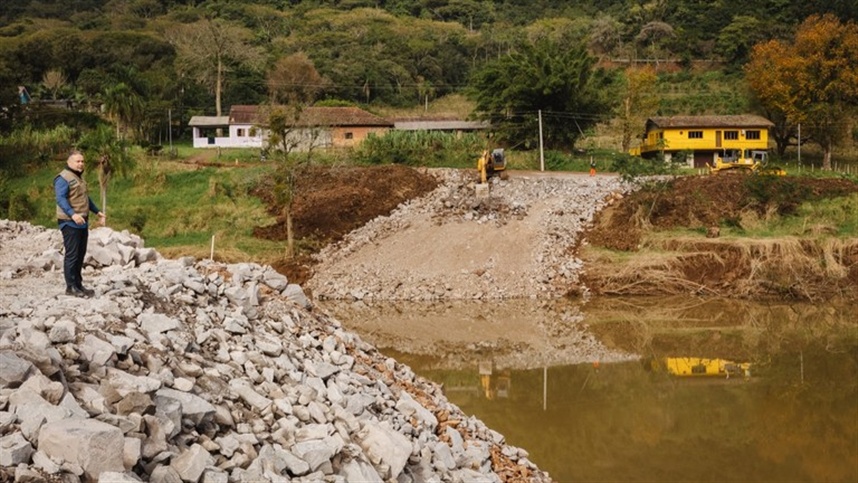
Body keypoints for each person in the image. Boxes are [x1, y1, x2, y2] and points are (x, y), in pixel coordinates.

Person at [54, 150, 106, 297]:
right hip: (69, 222)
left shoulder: (79, 178)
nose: (81, 164)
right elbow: (61, 199)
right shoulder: (62, 178)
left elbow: (84, 198)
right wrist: (73, 214)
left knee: (80, 254)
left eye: (82, 161)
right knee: (72, 254)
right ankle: (70, 287)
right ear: (69, 162)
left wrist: (97, 211)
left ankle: (78, 284)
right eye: (78, 161)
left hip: (82, 221)